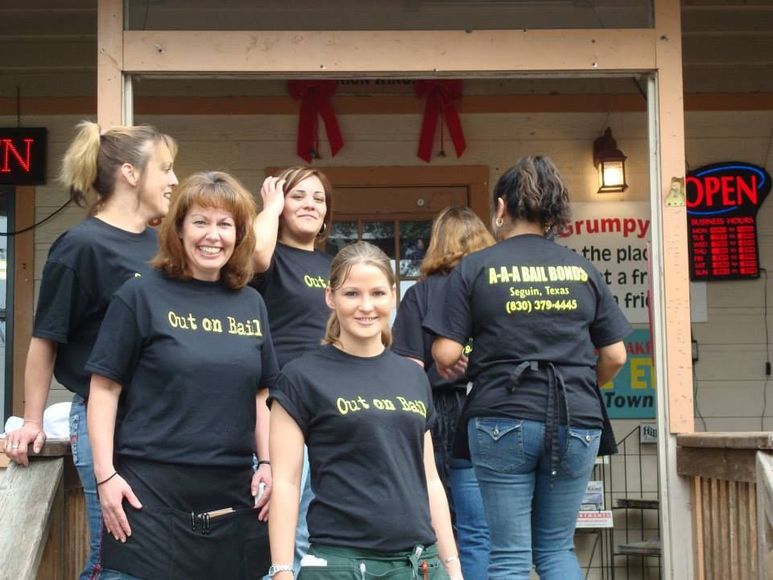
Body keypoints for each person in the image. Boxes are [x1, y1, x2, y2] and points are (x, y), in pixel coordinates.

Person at [425, 156, 630, 579]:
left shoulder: (476, 267)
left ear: (501, 208)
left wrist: (477, 340)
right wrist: (585, 384)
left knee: (510, 556)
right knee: (557, 550)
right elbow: (615, 357)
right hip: (577, 416)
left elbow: (444, 354)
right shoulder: (582, 268)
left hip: (502, 414)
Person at [4, 121, 178, 580]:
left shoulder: (162, 246)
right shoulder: (80, 246)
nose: (175, 181)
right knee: (114, 560)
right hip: (108, 426)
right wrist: (34, 420)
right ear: (131, 174)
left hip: (162, 425)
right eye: (166, 169)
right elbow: (46, 339)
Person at [85, 172, 277, 579]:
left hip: (233, 500)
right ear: (179, 229)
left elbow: (261, 393)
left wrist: (268, 463)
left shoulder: (252, 304)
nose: (213, 235)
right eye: (201, 222)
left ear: (240, 235)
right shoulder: (140, 294)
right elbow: (104, 387)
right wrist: (105, 476)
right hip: (148, 497)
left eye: (225, 224)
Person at [267, 241, 463, 580]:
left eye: (377, 293)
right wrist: (282, 572)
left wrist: (453, 566)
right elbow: (285, 483)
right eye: (352, 294)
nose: (366, 306)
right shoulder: (300, 376)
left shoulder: (412, 376)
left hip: (420, 565)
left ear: (392, 295)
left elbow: (429, 480)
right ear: (331, 298)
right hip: (340, 565)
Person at [392, 206, 494, 579]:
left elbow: (408, 367)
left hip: (428, 411)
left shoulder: (420, 294)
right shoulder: (490, 291)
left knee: (430, 525)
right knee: (478, 530)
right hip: (485, 411)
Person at [251, 166, 334, 574]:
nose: (310, 205)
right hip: (279, 406)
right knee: (287, 530)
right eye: (299, 196)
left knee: (313, 527)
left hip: (328, 405)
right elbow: (255, 255)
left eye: (318, 198)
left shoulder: (332, 266)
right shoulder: (270, 257)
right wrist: (269, 206)